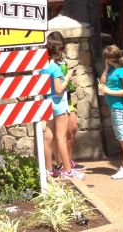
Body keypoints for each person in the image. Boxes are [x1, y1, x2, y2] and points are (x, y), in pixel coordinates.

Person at [41, 33, 82, 180]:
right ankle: (67, 169)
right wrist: (68, 76)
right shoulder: (55, 68)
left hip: (48, 103)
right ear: (58, 50)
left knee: (48, 137)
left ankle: (49, 169)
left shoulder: (43, 67)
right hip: (59, 104)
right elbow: (59, 89)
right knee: (61, 138)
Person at [99, 44, 123, 179]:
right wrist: (106, 69)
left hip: (121, 108)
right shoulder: (112, 70)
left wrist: (110, 91)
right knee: (122, 137)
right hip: (115, 107)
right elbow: (102, 84)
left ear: (109, 58)